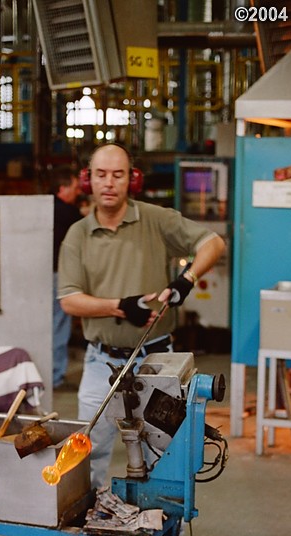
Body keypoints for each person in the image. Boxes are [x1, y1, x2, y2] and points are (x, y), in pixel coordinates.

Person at [58, 143, 226, 488]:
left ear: (131, 181)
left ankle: (166, 533)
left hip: (157, 361)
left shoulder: (156, 219)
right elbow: (70, 300)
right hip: (100, 363)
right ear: (87, 180)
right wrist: (121, 305)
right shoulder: (78, 234)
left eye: (118, 175)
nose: (109, 182)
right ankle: (90, 528)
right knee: (87, 452)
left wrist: (187, 278)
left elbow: (213, 243)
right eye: (100, 175)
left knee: (164, 454)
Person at [51, 165, 83, 389]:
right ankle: (55, 375)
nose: (78, 191)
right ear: (62, 189)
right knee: (59, 324)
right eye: (74, 187)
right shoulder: (68, 212)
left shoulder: (46, 208)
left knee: (53, 323)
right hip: (58, 276)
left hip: (46, 273)